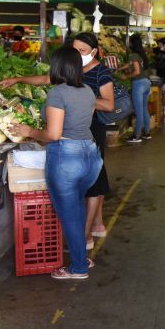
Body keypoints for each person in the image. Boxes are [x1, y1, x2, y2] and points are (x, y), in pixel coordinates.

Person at [0, 33, 116, 249]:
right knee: (85, 189)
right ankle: (93, 229)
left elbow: (109, 105)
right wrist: (19, 79)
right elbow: (45, 80)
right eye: (75, 50)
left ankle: (85, 236)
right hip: (75, 135)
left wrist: (77, 100)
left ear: (94, 52)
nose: (79, 55)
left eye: (82, 51)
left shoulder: (99, 74)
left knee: (92, 188)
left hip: (89, 133)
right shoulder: (71, 76)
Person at [9, 47, 103, 280]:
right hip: (90, 156)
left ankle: (78, 267)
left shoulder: (58, 94)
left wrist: (28, 130)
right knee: (77, 208)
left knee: (70, 215)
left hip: (67, 157)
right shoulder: (88, 91)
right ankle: (82, 258)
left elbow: (52, 134)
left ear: (58, 67)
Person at [120, 34, 152, 144]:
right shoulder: (141, 54)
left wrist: (126, 76)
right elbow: (130, 65)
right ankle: (147, 133)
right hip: (147, 83)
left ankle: (136, 136)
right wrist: (119, 68)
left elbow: (137, 71)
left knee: (138, 112)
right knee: (144, 109)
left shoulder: (133, 55)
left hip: (138, 84)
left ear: (132, 43)